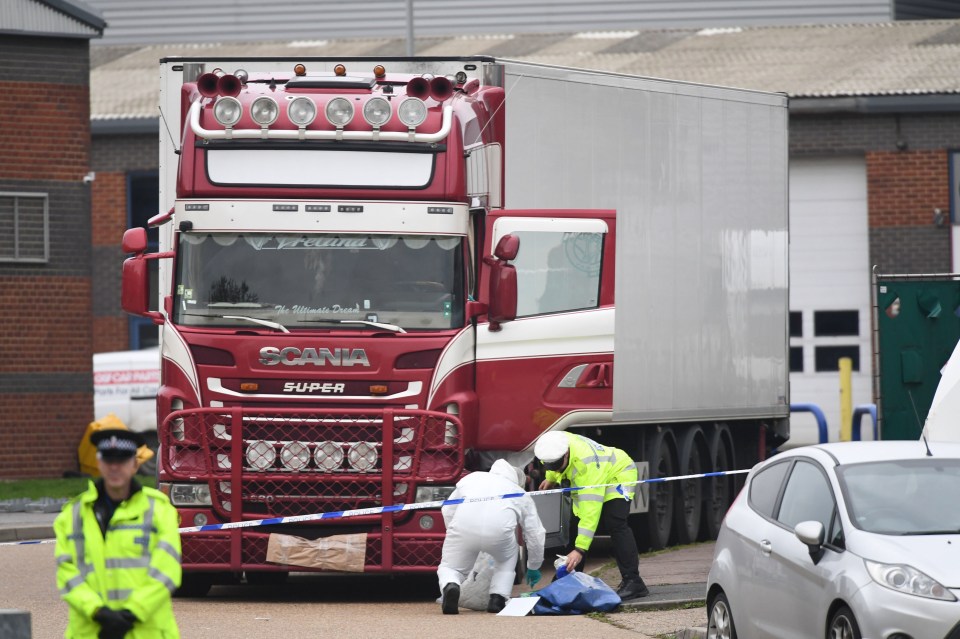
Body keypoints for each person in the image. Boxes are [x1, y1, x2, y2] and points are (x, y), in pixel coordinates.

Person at [55, 428, 182, 638]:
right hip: (92, 630)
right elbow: (67, 572)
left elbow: (166, 571)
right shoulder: (72, 515)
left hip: (143, 631)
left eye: (122, 460)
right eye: (108, 459)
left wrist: (132, 613)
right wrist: (98, 612)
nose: (115, 467)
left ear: (134, 464)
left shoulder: (159, 511)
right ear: (99, 463)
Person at [534, 430, 650, 600]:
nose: (555, 469)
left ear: (566, 454)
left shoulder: (586, 466)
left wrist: (580, 550)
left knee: (615, 522)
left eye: (557, 465)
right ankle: (571, 577)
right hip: (597, 472)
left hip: (618, 472)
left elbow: (590, 513)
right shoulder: (553, 442)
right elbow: (553, 464)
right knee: (574, 523)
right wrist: (551, 477)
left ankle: (634, 582)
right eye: (549, 465)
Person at [437, 459, 546, 614]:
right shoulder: (519, 492)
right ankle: (498, 598)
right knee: (506, 561)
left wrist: (455, 533)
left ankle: (451, 585)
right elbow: (535, 532)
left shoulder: (471, 479)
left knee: (450, 567)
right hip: (500, 535)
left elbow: (448, 509)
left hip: (463, 527)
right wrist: (534, 565)